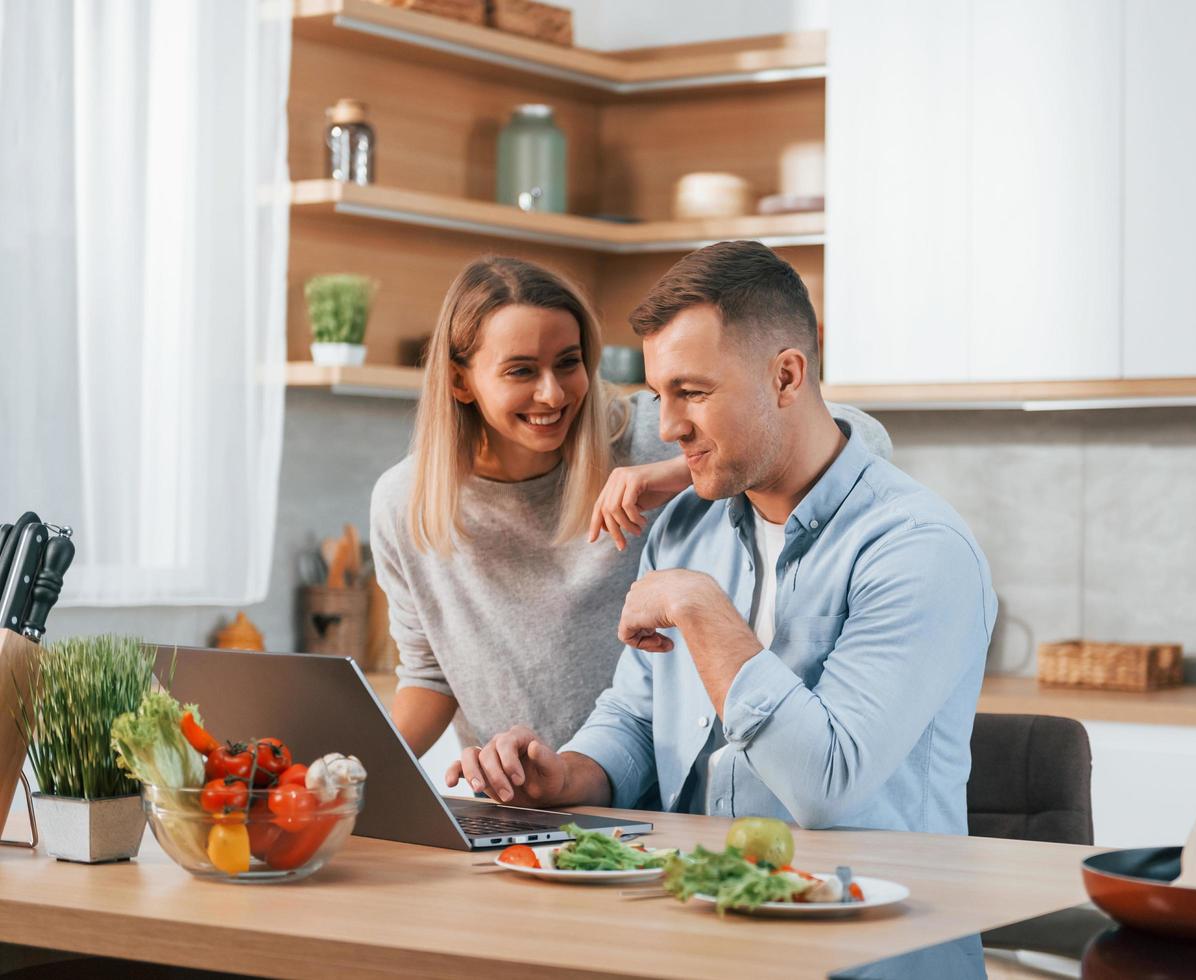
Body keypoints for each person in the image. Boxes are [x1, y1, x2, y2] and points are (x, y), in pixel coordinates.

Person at [457, 242, 997, 833]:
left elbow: (827, 787)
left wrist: (700, 607)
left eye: (692, 392)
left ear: (786, 376)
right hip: (695, 905)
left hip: (867, 915)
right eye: (661, 395)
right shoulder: (686, 529)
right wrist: (564, 776)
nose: (668, 426)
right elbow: (638, 721)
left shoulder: (918, 550)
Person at [369, 255, 890, 762]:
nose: (551, 394)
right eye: (521, 371)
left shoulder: (644, 435)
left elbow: (858, 437)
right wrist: (352, 775)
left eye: (568, 363)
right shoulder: (406, 503)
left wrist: (676, 470)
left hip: (645, 782)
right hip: (519, 793)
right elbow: (429, 676)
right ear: (460, 380)